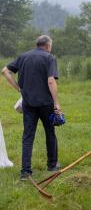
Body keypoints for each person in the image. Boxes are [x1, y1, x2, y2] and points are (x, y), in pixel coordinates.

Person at [1, 35, 61, 180]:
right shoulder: (49, 58)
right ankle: (52, 165)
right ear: (47, 46)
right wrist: (57, 103)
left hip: (28, 103)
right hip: (46, 104)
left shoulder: (23, 57)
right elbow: (51, 81)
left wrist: (19, 89)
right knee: (50, 133)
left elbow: (5, 71)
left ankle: (25, 172)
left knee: (28, 136)